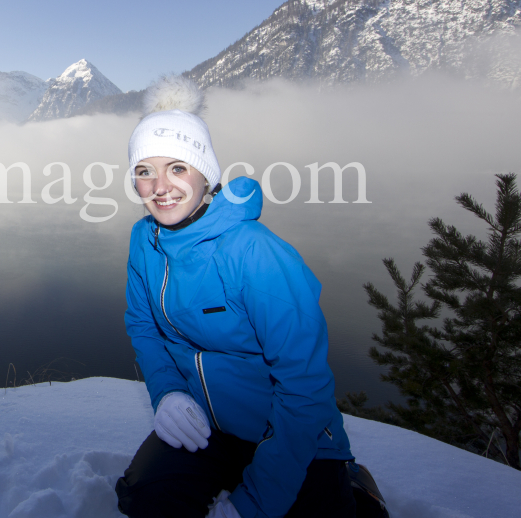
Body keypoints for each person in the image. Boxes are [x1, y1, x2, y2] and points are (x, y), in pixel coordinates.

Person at [114, 75, 357, 518]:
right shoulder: (143, 240)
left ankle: (351, 486)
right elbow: (143, 326)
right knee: (146, 498)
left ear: (206, 172)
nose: (160, 186)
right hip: (208, 428)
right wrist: (167, 393)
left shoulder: (255, 253)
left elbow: (305, 388)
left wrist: (253, 506)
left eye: (178, 167)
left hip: (287, 433)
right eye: (144, 171)